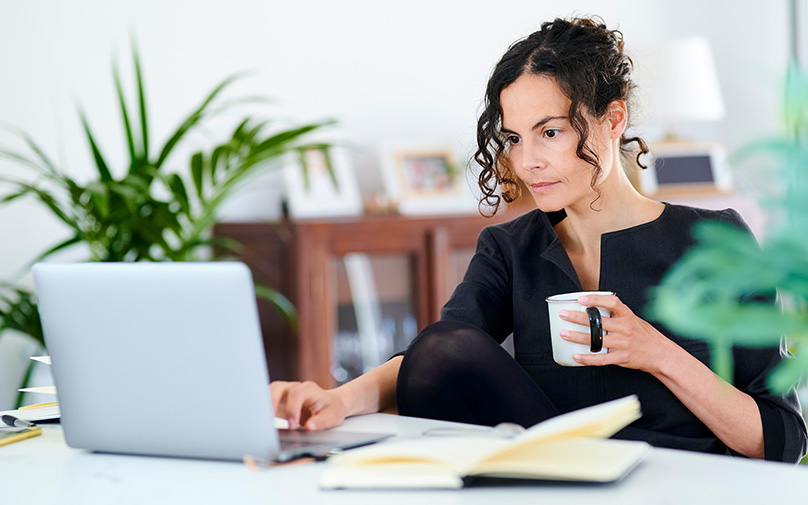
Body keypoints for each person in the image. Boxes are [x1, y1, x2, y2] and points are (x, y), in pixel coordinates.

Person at [271, 16, 808, 462]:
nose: (527, 161)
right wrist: (337, 400)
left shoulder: (712, 238)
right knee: (441, 347)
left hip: (681, 482)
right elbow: (435, 356)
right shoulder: (509, 248)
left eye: (550, 132)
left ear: (612, 118)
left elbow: (780, 441)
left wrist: (654, 351)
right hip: (562, 476)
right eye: (513, 138)